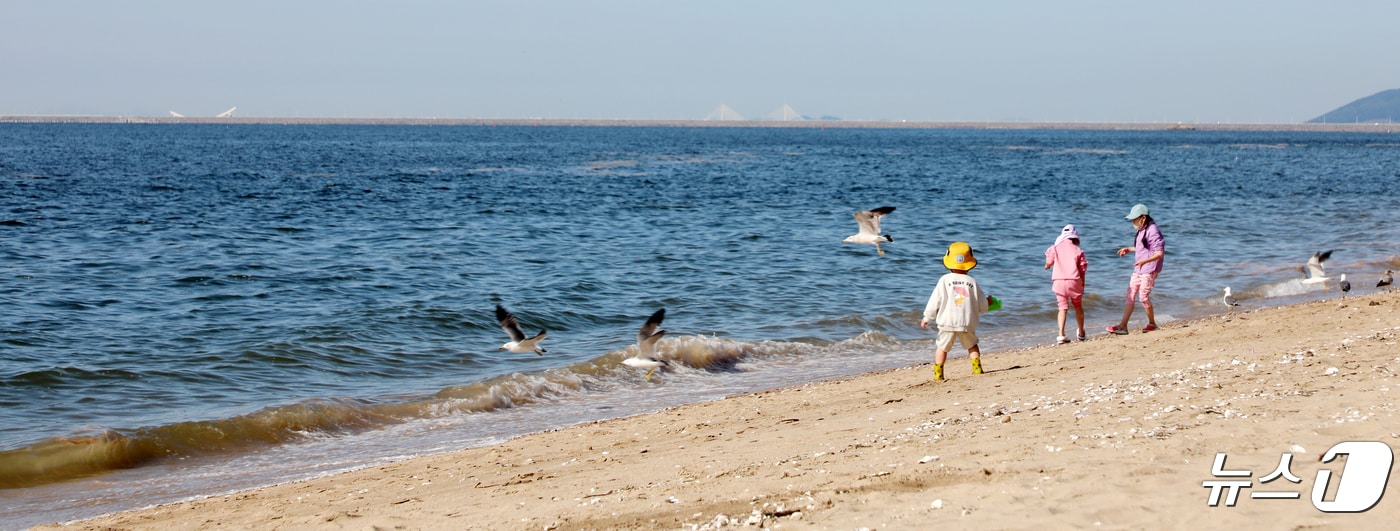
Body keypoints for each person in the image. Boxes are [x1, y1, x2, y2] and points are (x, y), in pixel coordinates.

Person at [920, 242, 994, 381]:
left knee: (942, 347)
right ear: (970, 262)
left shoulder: (944, 280)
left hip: (947, 322)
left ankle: (939, 373)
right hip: (967, 322)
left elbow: (935, 300)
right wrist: (989, 303)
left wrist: (927, 317)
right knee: (972, 345)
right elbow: (982, 304)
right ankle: (977, 369)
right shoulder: (971, 281)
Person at [1107, 204, 1164, 334]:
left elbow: (1159, 253)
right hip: (1139, 269)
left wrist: (1145, 261)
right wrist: (1129, 249)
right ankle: (1123, 326)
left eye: (1134, 219)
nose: (1133, 222)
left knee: (1143, 297)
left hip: (1149, 269)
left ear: (1143, 218)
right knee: (1130, 295)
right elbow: (1143, 248)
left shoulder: (1153, 230)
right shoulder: (1142, 230)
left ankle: (1152, 323)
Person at [1044, 224, 1088, 343]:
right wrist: (1082, 282)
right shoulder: (1078, 250)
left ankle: (1061, 334)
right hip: (1074, 281)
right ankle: (1081, 332)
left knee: (1062, 307)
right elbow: (1082, 269)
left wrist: (1047, 265)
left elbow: (1049, 262)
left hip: (1058, 281)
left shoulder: (1055, 248)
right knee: (1078, 306)